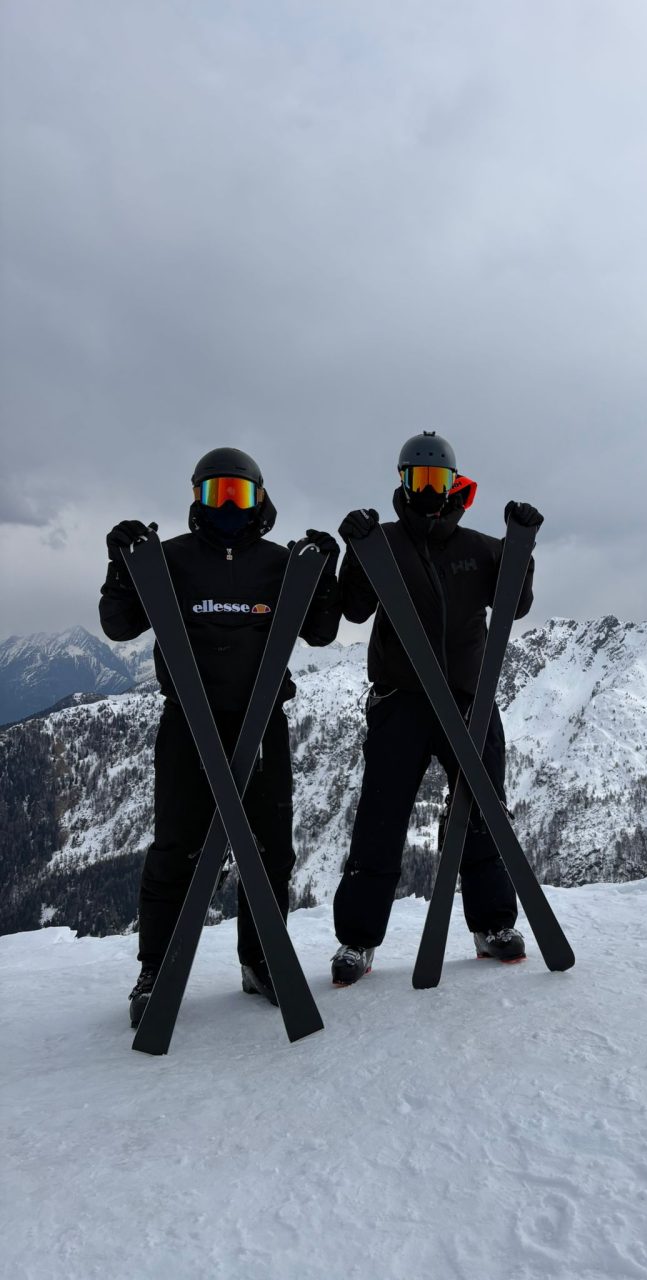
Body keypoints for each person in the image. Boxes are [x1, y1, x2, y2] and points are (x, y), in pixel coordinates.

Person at [99, 447, 340, 1027]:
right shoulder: (173, 560)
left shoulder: (279, 564)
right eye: (216, 493)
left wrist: (323, 574)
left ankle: (260, 962)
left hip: (262, 728)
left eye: (239, 493)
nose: (228, 505)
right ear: (196, 499)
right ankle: (156, 970)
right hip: (188, 724)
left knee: (270, 852)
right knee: (175, 851)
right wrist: (121, 564)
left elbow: (323, 631)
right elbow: (118, 624)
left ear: (259, 498)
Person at [331, 430, 542, 986]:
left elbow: (516, 603)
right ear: (402, 482)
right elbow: (353, 611)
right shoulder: (387, 544)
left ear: (454, 484)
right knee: (381, 816)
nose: (428, 489)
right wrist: (355, 555)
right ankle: (358, 938)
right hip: (401, 700)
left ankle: (492, 925)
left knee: (484, 810)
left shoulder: (478, 548)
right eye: (418, 479)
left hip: (469, 699)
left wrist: (523, 547)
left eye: (437, 480)